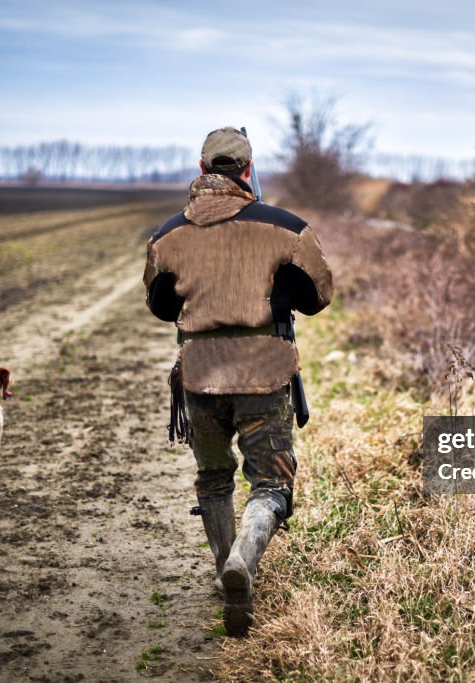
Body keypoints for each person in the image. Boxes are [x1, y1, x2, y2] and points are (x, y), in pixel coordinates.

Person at [142, 127, 333, 636]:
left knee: (214, 480)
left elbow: (161, 306)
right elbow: (317, 297)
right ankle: (243, 563)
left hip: (200, 378)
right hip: (265, 374)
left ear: (202, 169)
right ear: (248, 171)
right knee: (270, 484)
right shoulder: (286, 227)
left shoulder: (167, 235)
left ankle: (226, 565)